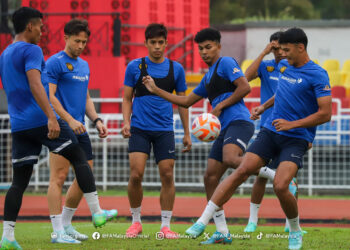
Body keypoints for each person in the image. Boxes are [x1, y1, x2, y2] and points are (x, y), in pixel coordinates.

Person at [184, 27, 332, 250]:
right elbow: (281, 91)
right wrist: (263, 106)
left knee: (281, 186)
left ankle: (294, 229)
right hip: (270, 132)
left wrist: (293, 124)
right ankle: (202, 221)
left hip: (296, 138)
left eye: (286, 50)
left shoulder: (318, 74)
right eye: (280, 49)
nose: (282, 54)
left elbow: (325, 113)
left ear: (300, 48)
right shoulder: (286, 68)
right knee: (242, 169)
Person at [0, 7, 109, 249]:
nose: (42, 30)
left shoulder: (5, 53)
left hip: (18, 125)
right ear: (30, 26)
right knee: (80, 157)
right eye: (39, 25)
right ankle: (97, 212)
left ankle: (7, 237)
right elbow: (36, 84)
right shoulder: (32, 49)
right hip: (40, 119)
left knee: (19, 182)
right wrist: (51, 116)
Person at [142, 27, 255, 245]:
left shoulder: (226, 63)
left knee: (232, 159)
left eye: (209, 47)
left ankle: (271, 173)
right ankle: (222, 231)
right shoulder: (207, 77)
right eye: (201, 48)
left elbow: (245, 87)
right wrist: (156, 90)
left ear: (219, 47)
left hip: (240, 122)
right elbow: (185, 101)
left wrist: (220, 105)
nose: (204, 52)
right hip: (223, 128)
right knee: (210, 177)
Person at [46, 19, 117, 243]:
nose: (80, 45)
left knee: (84, 176)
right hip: (60, 126)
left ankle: (67, 225)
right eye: (77, 41)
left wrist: (96, 120)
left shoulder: (84, 65)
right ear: (65, 37)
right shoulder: (54, 62)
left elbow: (85, 97)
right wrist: (67, 120)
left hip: (81, 127)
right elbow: (50, 96)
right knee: (58, 177)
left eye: (84, 42)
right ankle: (56, 232)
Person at [121, 23, 192, 239]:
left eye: (161, 43)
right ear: (146, 43)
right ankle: (135, 222)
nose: (157, 47)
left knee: (168, 175)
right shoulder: (134, 67)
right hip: (139, 128)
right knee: (136, 174)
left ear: (166, 43)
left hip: (164, 130)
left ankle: (166, 225)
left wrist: (187, 132)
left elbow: (183, 102)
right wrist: (126, 122)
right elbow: (126, 98)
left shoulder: (176, 69)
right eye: (153, 43)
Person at [243, 31, 298, 233]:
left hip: (289, 128)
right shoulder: (266, 67)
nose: (279, 52)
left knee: (291, 178)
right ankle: (252, 221)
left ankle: (290, 225)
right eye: (275, 48)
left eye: (282, 48)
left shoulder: (293, 68)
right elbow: (246, 77)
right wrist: (264, 51)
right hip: (267, 128)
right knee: (260, 177)